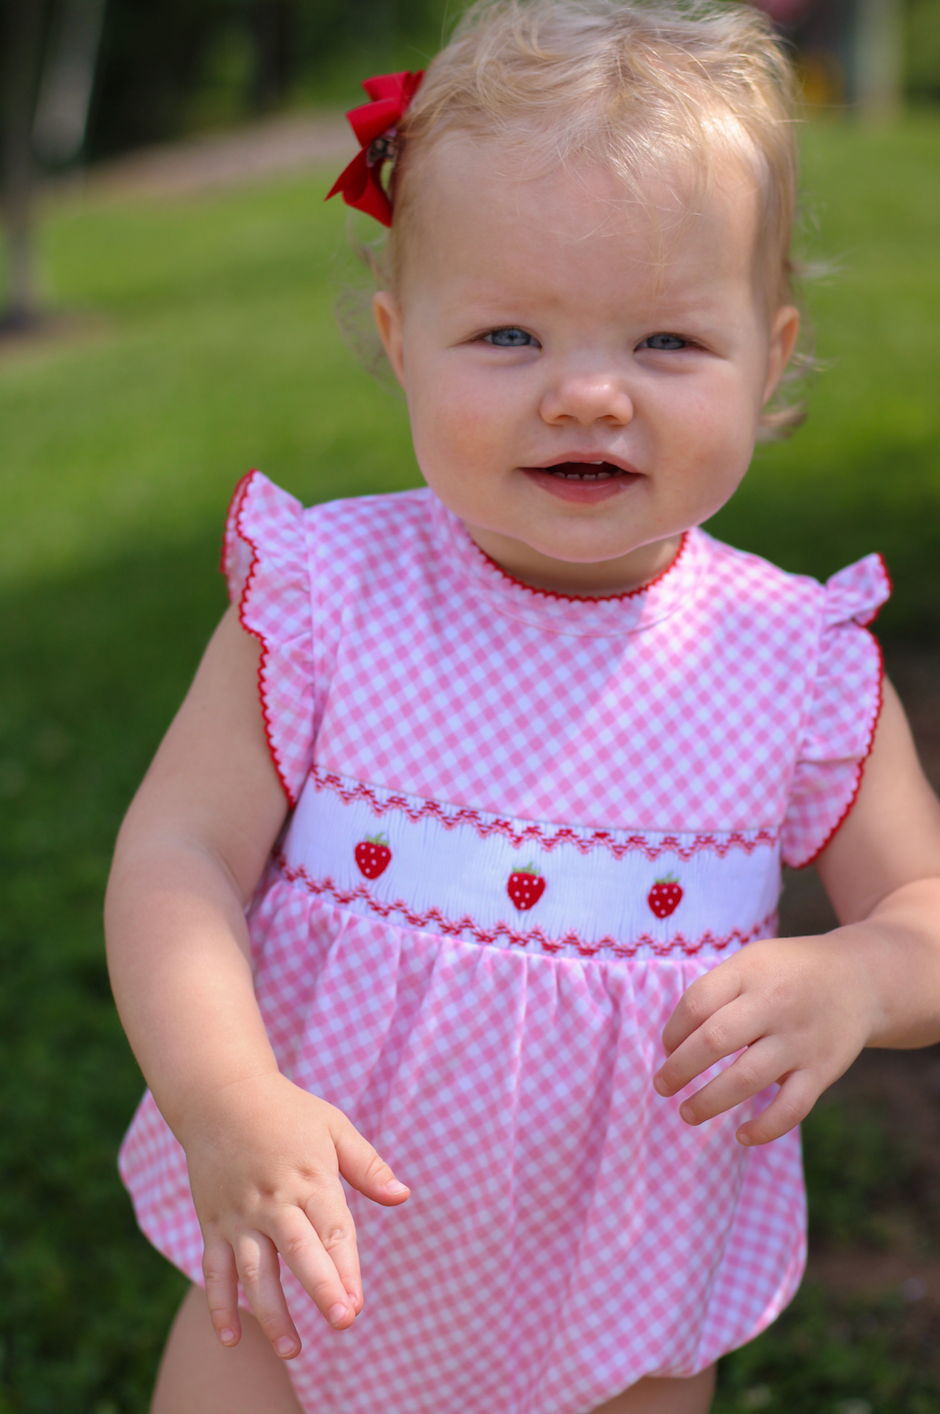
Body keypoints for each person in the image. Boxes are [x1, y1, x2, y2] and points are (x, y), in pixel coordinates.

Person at [105, 2, 940, 1411]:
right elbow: (176, 858)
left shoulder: (788, 657)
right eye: (507, 333)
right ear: (401, 339)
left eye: (669, 341)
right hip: (299, 1272)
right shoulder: (324, 599)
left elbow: (927, 906)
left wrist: (856, 975)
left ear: (771, 347)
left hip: (623, 1301)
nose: (590, 394)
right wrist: (223, 1094)